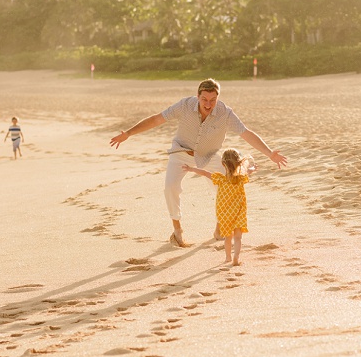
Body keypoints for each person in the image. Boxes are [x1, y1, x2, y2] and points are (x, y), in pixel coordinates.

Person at [108, 78, 287, 247]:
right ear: (198, 96)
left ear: (218, 98)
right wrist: (129, 134)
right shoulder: (185, 106)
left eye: (213, 100)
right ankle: (177, 230)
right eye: (204, 99)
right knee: (170, 187)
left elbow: (246, 133)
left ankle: (220, 229)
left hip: (209, 155)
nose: (208, 104)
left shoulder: (225, 113)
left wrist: (270, 153)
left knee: (227, 188)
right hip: (181, 152)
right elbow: (157, 119)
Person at [183, 149, 256, 266]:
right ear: (238, 163)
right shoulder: (241, 179)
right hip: (239, 212)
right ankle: (236, 257)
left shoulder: (220, 179)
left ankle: (228, 258)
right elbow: (248, 172)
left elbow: (204, 173)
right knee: (238, 237)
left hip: (224, 213)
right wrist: (252, 169)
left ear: (223, 164)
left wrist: (191, 169)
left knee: (228, 237)